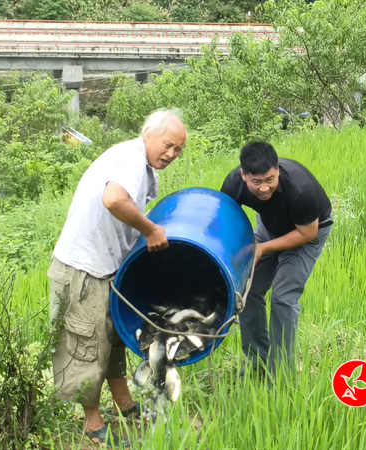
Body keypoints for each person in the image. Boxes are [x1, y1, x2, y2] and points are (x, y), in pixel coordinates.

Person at [47, 108, 186, 447]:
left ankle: (122, 403)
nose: (171, 154)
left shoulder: (139, 162)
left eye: (178, 149)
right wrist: (150, 229)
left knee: (112, 339)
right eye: (168, 145)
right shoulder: (131, 160)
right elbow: (113, 200)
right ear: (149, 134)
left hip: (106, 266)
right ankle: (91, 423)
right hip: (83, 269)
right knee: (86, 346)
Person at [220, 141, 333, 377]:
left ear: (278, 170)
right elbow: (224, 220)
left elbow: (307, 233)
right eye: (256, 182)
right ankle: (257, 362)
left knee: (283, 298)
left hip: (307, 233)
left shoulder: (301, 189)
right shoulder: (233, 184)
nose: (264, 188)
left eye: (270, 180)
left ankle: (280, 373)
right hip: (270, 226)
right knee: (247, 290)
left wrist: (263, 248)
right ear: (243, 175)